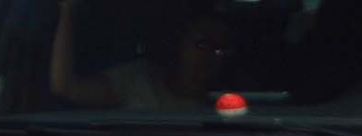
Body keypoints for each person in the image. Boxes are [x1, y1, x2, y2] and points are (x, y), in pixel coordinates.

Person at [50, 0, 231, 111]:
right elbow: (67, 88)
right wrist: (68, 9)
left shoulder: (226, 111)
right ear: (181, 43)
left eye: (219, 50)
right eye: (201, 44)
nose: (209, 55)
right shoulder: (139, 80)